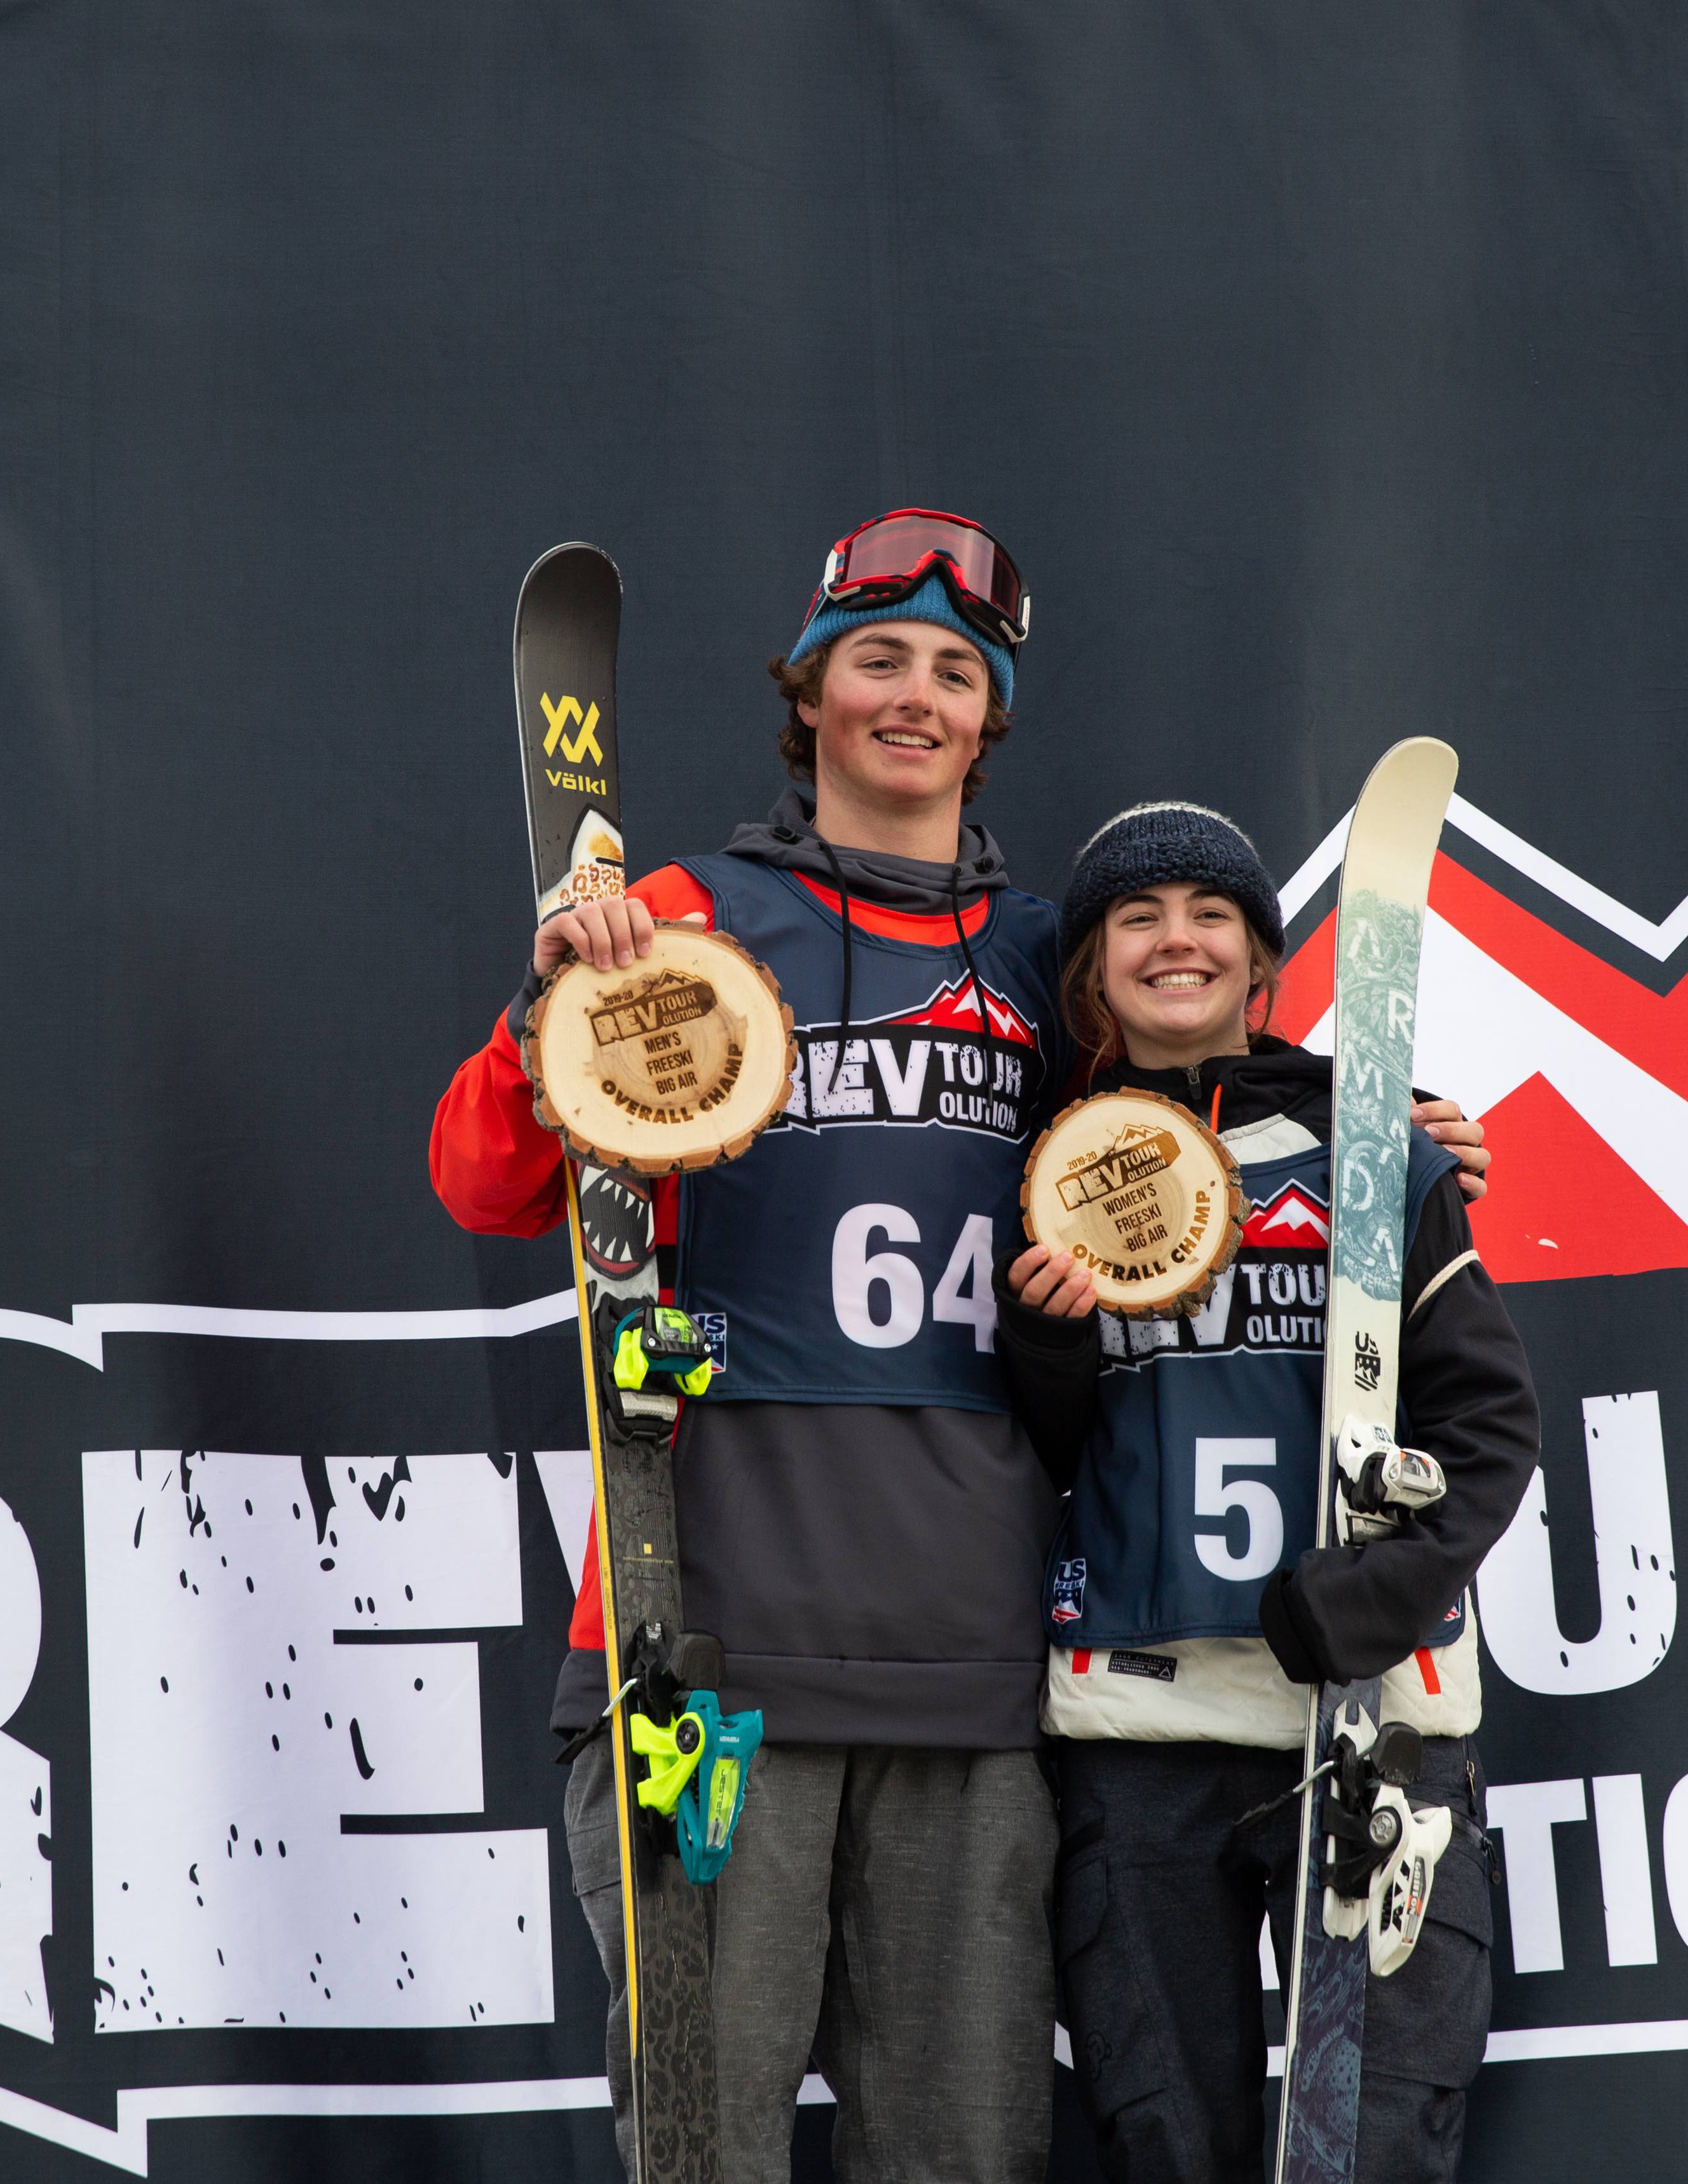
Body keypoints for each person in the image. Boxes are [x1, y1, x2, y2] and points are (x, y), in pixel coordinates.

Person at [430, 510, 1068, 2183]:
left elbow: (1197, 1159)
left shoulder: (1054, 963)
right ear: (809, 693)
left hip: (970, 1675)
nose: (913, 694)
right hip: (694, 1659)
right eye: (876, 659)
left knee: (967, 2150)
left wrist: (1391, 1152)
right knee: (701, 2141)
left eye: (955, 668)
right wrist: (542, 1012)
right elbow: (486, 1181)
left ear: (989, 715)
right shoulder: (678, 914)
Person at [997, 802, 1542, 2184]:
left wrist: (1383, 1589)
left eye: (1208, 913)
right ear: (1089, 974)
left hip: (1369, 1711)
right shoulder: (1049, 1168)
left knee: (1368, 2141)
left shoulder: (1378, 1151)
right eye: (1136, 916)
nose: (1174, 937)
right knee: (1167, 2134)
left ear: (1261, 961)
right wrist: (1048, 1343)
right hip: (1140, 1718)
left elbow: (1485, 1420)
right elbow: (1037, 1457)